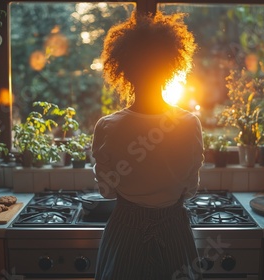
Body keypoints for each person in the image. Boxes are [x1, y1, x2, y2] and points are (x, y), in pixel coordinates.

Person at [92, 11, 204, 280]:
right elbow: (189, 189)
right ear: (170, 68)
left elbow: (107, 192)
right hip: (174, 232)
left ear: (124, 71)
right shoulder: (189, 124)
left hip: (124, 237)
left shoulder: (108, 126)